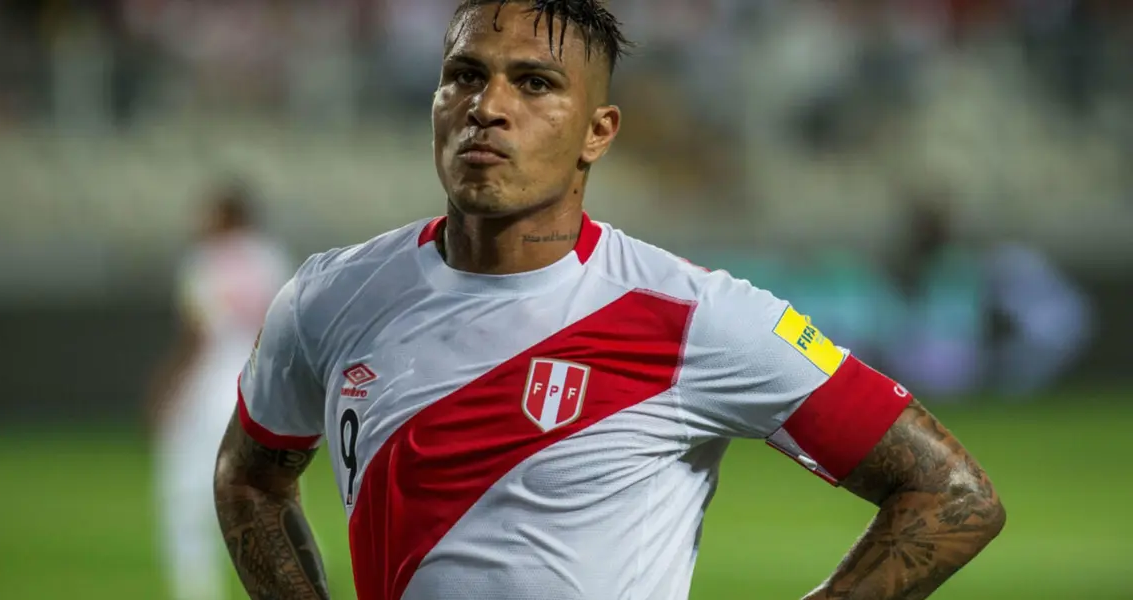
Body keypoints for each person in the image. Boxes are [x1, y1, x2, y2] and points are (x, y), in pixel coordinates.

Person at [214, 2, 1006, 599]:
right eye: (464, 75)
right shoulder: (330, 294)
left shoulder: (696, 318)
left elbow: (952, 497)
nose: (487, 106)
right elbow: (250, 477)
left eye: (535, 84)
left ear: (599, 131)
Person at [148, 180, 292, 600]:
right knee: (265, 498)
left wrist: (164, 390)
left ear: (228, 215)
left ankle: (197, 592)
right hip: (257, 391)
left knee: (186, 500)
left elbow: (196, 338)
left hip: (209, 389)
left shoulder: (205, 261)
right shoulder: (270, 258)